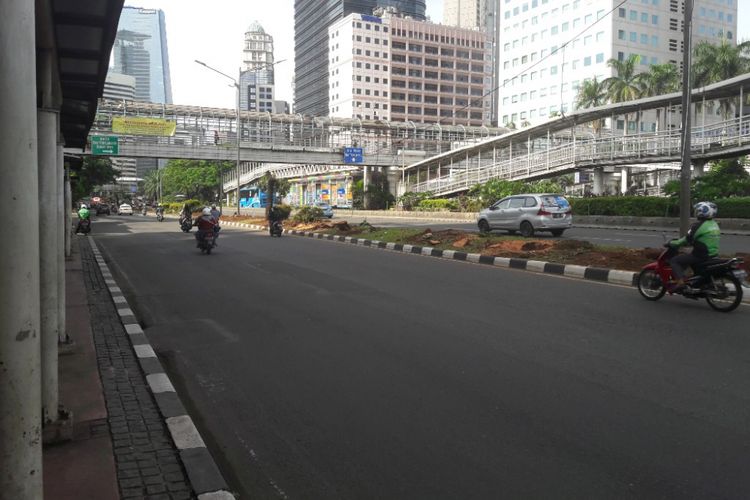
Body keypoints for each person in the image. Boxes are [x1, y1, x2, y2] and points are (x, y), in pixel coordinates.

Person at [667, 201, 720, 291]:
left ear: (702, 212)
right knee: (687, 256)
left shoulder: (698, 225)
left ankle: (680, 281)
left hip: (700, 255)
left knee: (674, 260)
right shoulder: (714, 224)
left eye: (697, 210)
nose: (696, 212)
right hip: (713, 253)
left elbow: (687, 239)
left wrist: (673, 243)